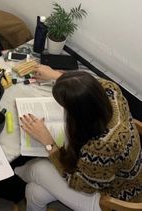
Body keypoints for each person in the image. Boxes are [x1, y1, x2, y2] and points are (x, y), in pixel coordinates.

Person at [15, 65, 142, 211]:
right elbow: (92, 86)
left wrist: (48, 142)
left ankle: (15, 173)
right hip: (121, 175)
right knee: (34, 191)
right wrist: (58, 76)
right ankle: (19, 175)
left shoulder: (101, 147)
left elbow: (79, 184)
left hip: (111, 196)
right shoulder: (111, 90)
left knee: (38, 169)